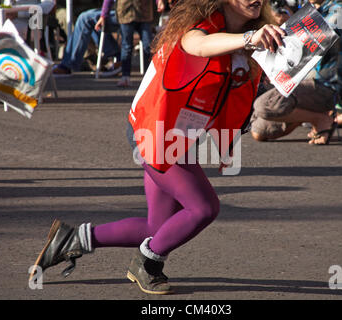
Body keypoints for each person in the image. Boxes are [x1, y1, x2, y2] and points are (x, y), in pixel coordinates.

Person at [29, 0, 284, 295]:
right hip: (154, 132)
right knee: (203, 208)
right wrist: (248, 39)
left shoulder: (255, 38)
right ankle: (147, 264)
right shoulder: (200, 26)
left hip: (179, 135)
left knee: (158, 229)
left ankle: (72, 239)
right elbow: (199, 46)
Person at [250, 0, 342, 145]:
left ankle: (320, 119)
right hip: (302, 84)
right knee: (258, 131)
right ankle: (315, 116)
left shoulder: (340, 9)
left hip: (324, 85)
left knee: (263, 105)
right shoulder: (311, 9)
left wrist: (287, 25)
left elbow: (312, 42)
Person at [52, 2, 121, 77]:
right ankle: (116, 56)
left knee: (86, 19)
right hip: (121, 9)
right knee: (89, 18)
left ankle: (69, 64)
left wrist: (103, 15)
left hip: (125, 11)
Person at [112, 0, 156, 87]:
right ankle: (125, 76)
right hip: (126, 11)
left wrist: (159, 2)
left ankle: (150, 77)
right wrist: (103, 14)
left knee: (148, 46)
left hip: (144, 12)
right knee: (127, 46)